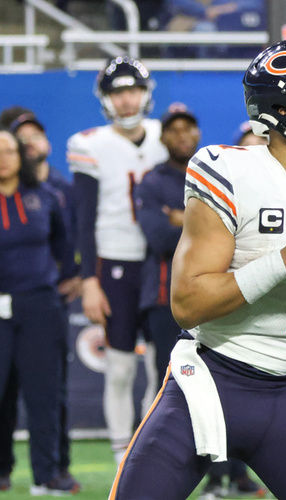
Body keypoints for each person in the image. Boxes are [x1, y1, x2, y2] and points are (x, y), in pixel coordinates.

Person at [109, 38, 286, 500]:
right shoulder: (229, 171)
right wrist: (284, 260)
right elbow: (187, 304)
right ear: (282, 107)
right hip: (211, 383)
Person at [134, 106, 265, 499]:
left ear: (198, 131)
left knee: (234, 383)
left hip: (222, 295)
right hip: (166, 299)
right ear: (163, 137)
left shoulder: (217, 177)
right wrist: (210, 235)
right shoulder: (153, 180)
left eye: (188, 127)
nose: (181, 134)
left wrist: (184, 221)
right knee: (179, 394)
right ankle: (197, 477)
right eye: (173, 129)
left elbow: (237, 239)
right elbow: (159, 238)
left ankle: (236, 474)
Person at [67, 55, 168, 464]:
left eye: (132, 90)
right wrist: (89, 280)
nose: (127, 100)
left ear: (146, 93)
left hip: (162, 262)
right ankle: (121, 458)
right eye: (118, 92)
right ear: (106, 99)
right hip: (116, 263)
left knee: (163, 369)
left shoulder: (168, 136)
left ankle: (150, 451)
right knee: (122, 367)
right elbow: (84, 218)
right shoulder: (89, 143)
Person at [0, 111, 83, 493]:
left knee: (48, 393)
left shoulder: (54, 190)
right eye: (11, 143)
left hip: (43, 303)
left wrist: (73, 277)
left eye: (30, 138)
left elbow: (67, 241)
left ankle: (52, 469)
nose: (18, 150)